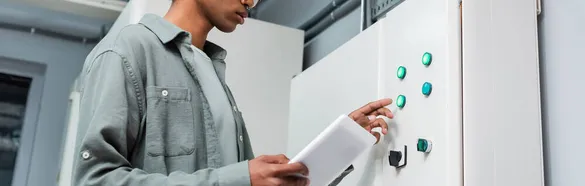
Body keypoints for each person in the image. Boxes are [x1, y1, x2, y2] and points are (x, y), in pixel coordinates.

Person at [73, 0, 394, 185]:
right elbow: (95, 181)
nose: (252, 1)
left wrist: (339, 145)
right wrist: (240, 180)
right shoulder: (126, 51)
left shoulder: (213, 74)